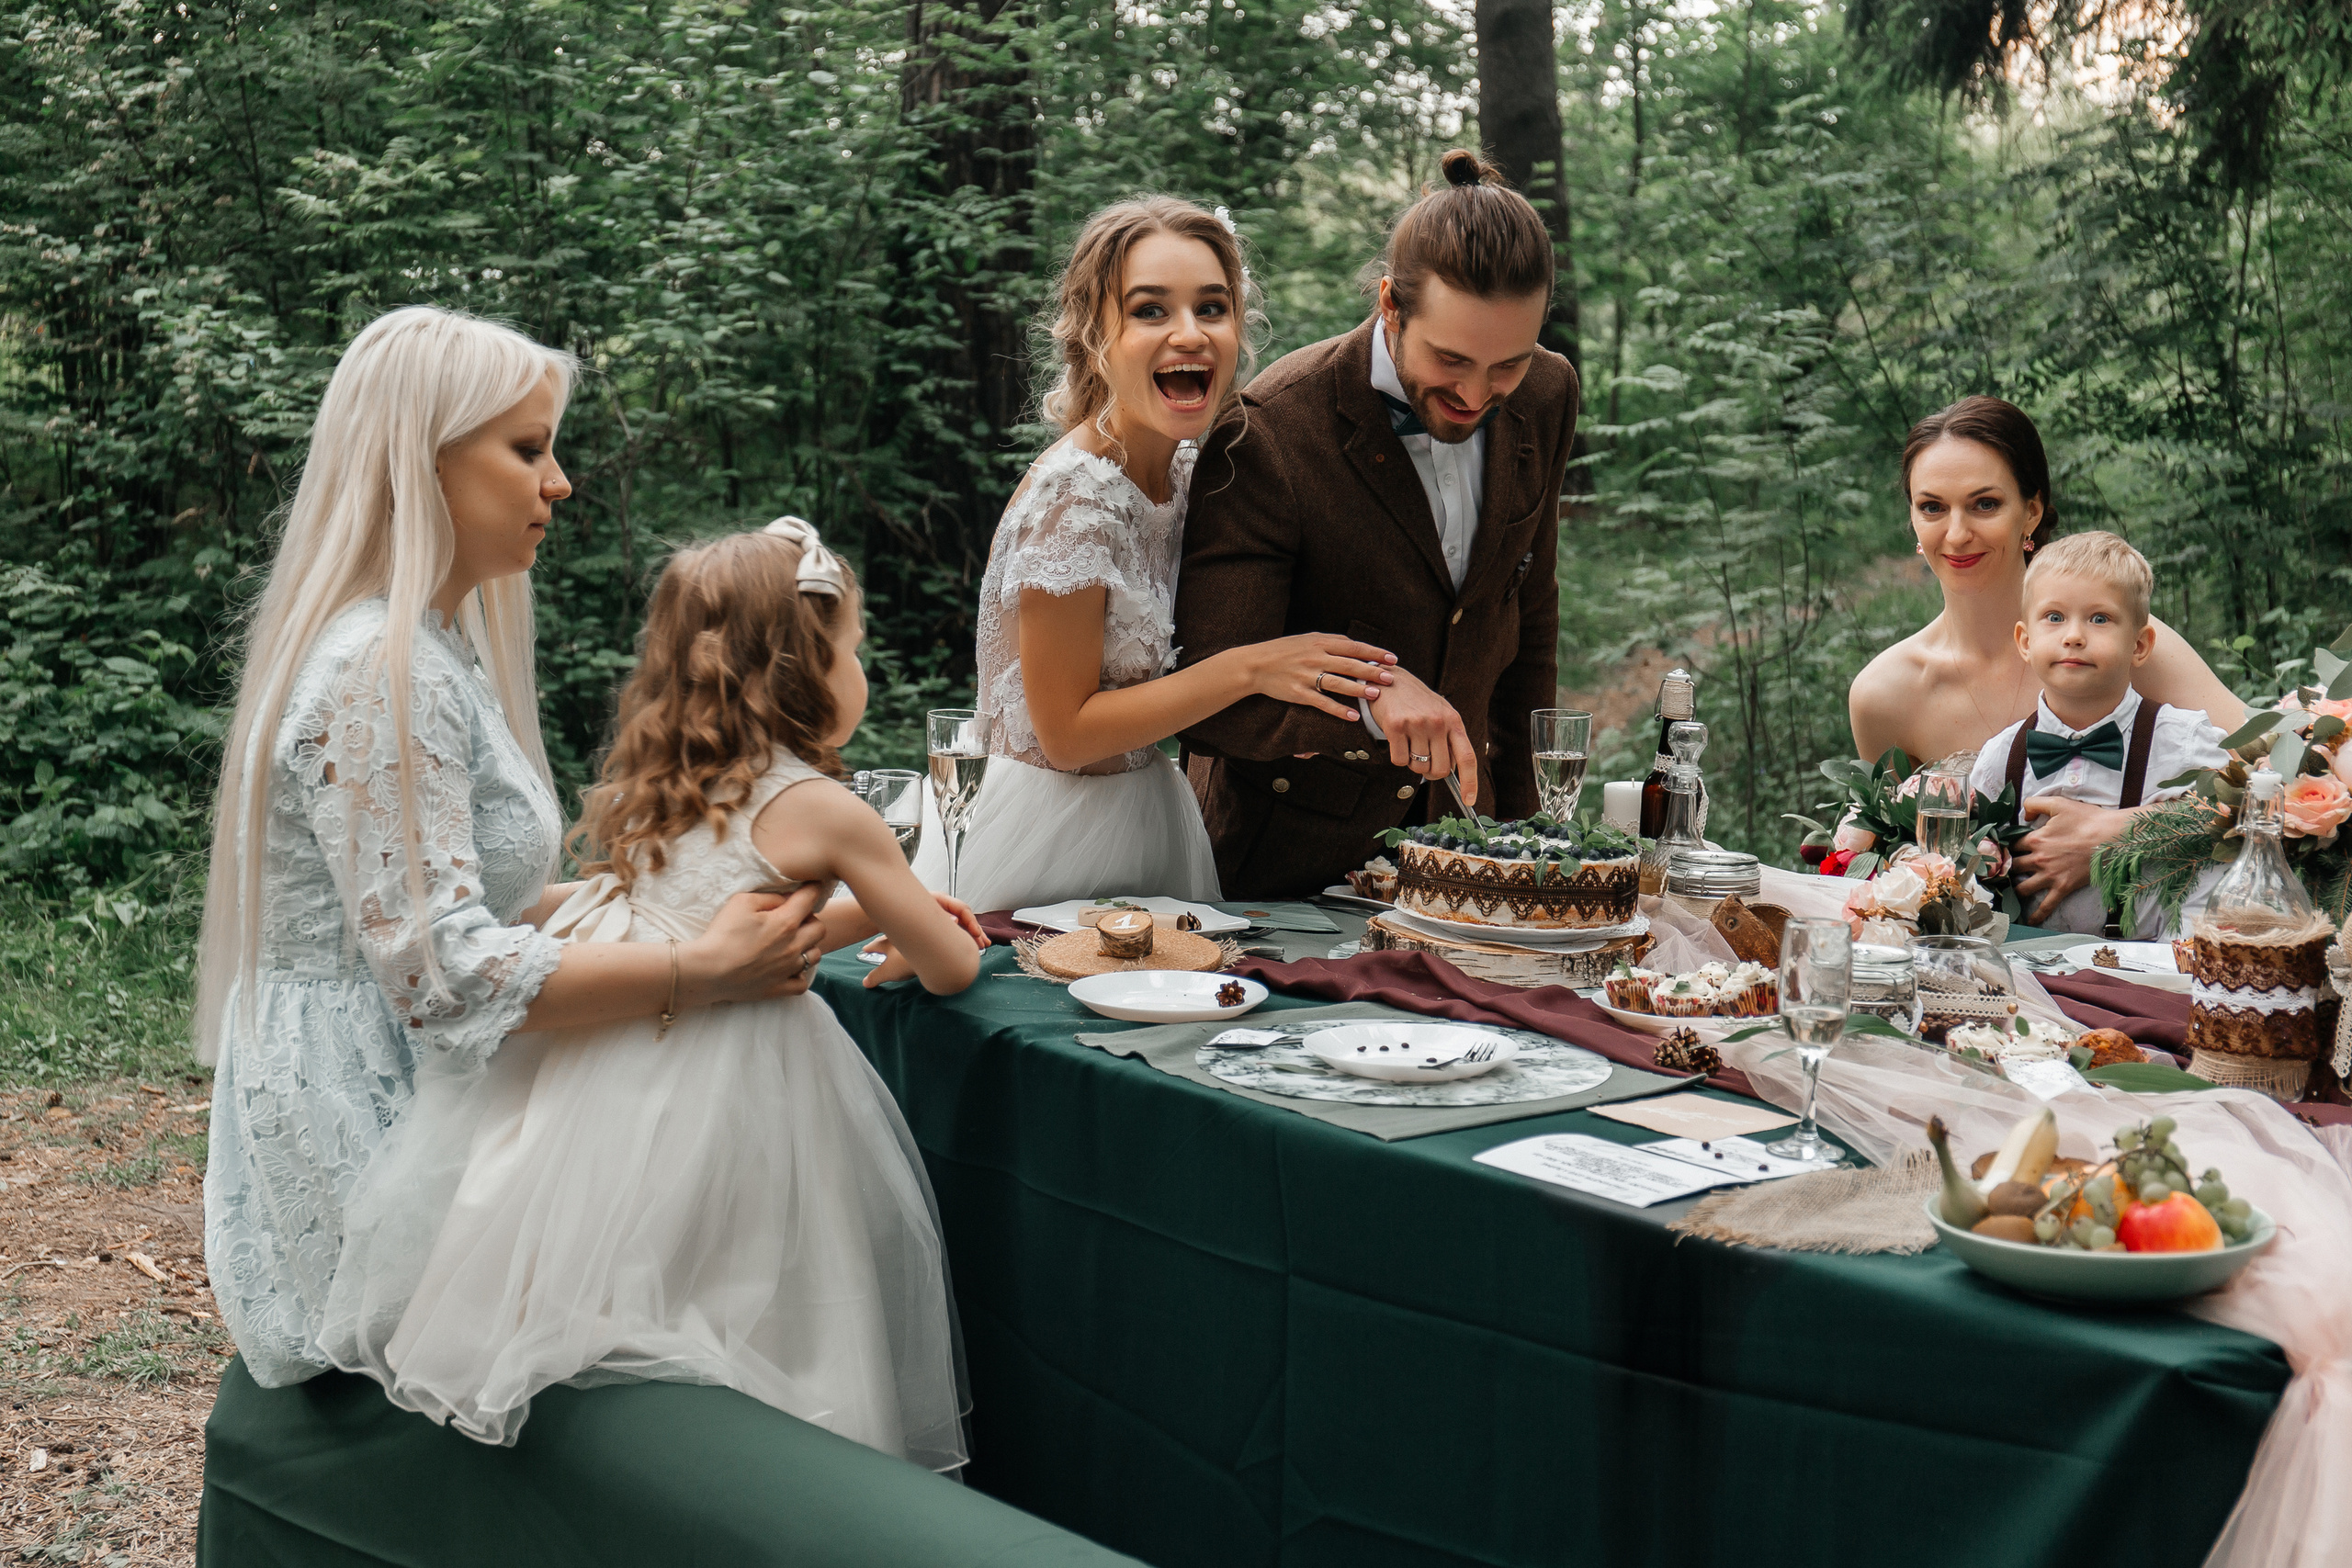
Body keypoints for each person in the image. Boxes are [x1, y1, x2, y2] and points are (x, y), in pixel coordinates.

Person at [198, 306, 831, 1389]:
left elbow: (461, 900)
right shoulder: (376, 674)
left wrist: (676, 895)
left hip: (420, 1075)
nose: (561, 482)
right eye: (529, 449)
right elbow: (442, 971)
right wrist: (700, 969)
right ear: (420, 460)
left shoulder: (430, 648)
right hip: (369, 1121)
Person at [321, 525, 983, 1461]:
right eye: (855, 649)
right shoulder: (833, 812)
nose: (862, 670)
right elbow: (951, 967)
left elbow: (726, 911)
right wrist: (922, 923)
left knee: (647, 1279)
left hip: (627, 1062)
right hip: (749, 1078)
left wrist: (854, 917)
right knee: (767, 1277)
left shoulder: (674, 787)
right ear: (806, 668)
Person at [917, 196, 1398, 912]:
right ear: (1095, 335)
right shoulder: (1073, 499)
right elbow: (1067, 733)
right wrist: (1250, 669)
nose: (1190, 333)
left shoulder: (1184, 473)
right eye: (1150, 311)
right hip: (1041, 839)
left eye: (1212, 307)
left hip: (1149, 821)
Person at [1172, 150, 1577, 898]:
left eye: (1506, 367)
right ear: (1390, 304)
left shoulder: (1549, 392)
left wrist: (1527, 848)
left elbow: (1529, 621)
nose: (1477, 393)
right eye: (1451, 359)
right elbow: (1207, 701)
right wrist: (1368, 703)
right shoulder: (1269, 431)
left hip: (1468, 857)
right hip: (1276, 876)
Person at [1848, 395, 2242, 924]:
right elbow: (1907, 866)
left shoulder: (2128, 647)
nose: (1957, 533)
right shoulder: (1884, 695)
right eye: (1932, 507)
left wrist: (2119, 830)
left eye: (1985, 504)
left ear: (2031, 511)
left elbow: (2268, 772)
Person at [1964, 532, 2229, 937]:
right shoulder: (2003, 756)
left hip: (2154, 970)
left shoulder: (2183, 740)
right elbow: (1971, 867)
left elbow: (2227, 827)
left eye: (2099, 619)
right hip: (2033, 972)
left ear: (2139, 645)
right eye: (2054, 617)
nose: (2074, 635)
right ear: (2025, 641)